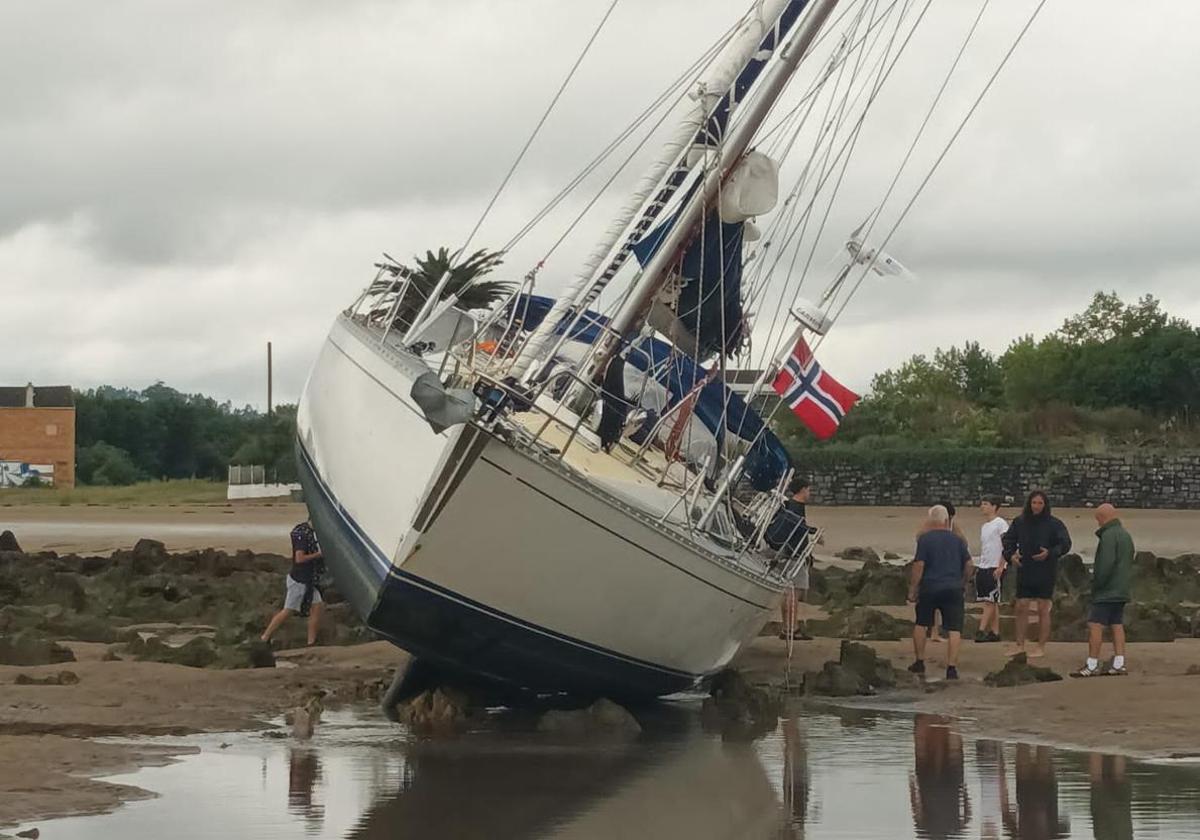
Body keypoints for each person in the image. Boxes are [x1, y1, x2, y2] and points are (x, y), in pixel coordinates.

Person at [1002, 491, 1071, 659]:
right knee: (1021, 606)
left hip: (1046, 570)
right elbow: (1008, 540)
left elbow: (1065, 543)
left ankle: (1041, 646)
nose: (1037, 506)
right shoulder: (1020, 522)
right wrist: (1011, 556)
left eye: (1040, 503)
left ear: (1045, 505)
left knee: (1043, 608)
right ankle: (1019, 644)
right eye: (1034, 503)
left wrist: (1050, 553)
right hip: (1025, 568)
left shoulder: (1054, 524)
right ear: (1029, 504)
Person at [907, 505, 973, 680]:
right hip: (953, 587)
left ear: (930, 520)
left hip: (930, 586)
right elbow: (969, 565)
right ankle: (951, 668)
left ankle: (919, 661)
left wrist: (913, 589)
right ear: (946, 520)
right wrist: (964, 582)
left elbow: (919, 565)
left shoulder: (925, 540)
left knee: (921, 624)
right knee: (954, 628)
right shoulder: (958, 540)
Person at [1071, 503, 1134, 678]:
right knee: (1117, 624)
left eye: (1097, 519)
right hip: (1121, 589)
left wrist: (1096, 585)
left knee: (1095, 625)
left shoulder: (1108, 536)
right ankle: (1119, 663)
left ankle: (1092, 664)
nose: (1097, 523)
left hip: (1107, 590)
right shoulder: (1125, 535)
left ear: (1102, 518)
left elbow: (1105, 565)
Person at [765, 476, 819, 640]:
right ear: (803, 490)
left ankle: (787, 628)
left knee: (789, 592)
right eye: (808, 489)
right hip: (793, 555)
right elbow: (797, 529)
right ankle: (791, 629)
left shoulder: (789, 505)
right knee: (794, 592)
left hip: (785, 553)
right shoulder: (796, 508)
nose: (810, 493)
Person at [261, 520, 326, 646]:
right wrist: (319, 555)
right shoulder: (303, 535)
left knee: (317, 607)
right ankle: (265, 637)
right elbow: (299, 558)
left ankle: (311, 643)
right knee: (288, 611)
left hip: (309, 580)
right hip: (299, 580)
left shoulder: (311, 534)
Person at [974, 497, 1009, 643]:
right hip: (984, 565)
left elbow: (1007, 545)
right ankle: (995, 632)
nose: (983, 506)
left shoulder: (1000, 523)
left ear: (994, 507)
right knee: (991, 601)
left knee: (990, 600)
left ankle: (981, 630)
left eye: (986, 504)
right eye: (982, 504)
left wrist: (1001, 566)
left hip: (995, 566)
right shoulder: (984, 526)